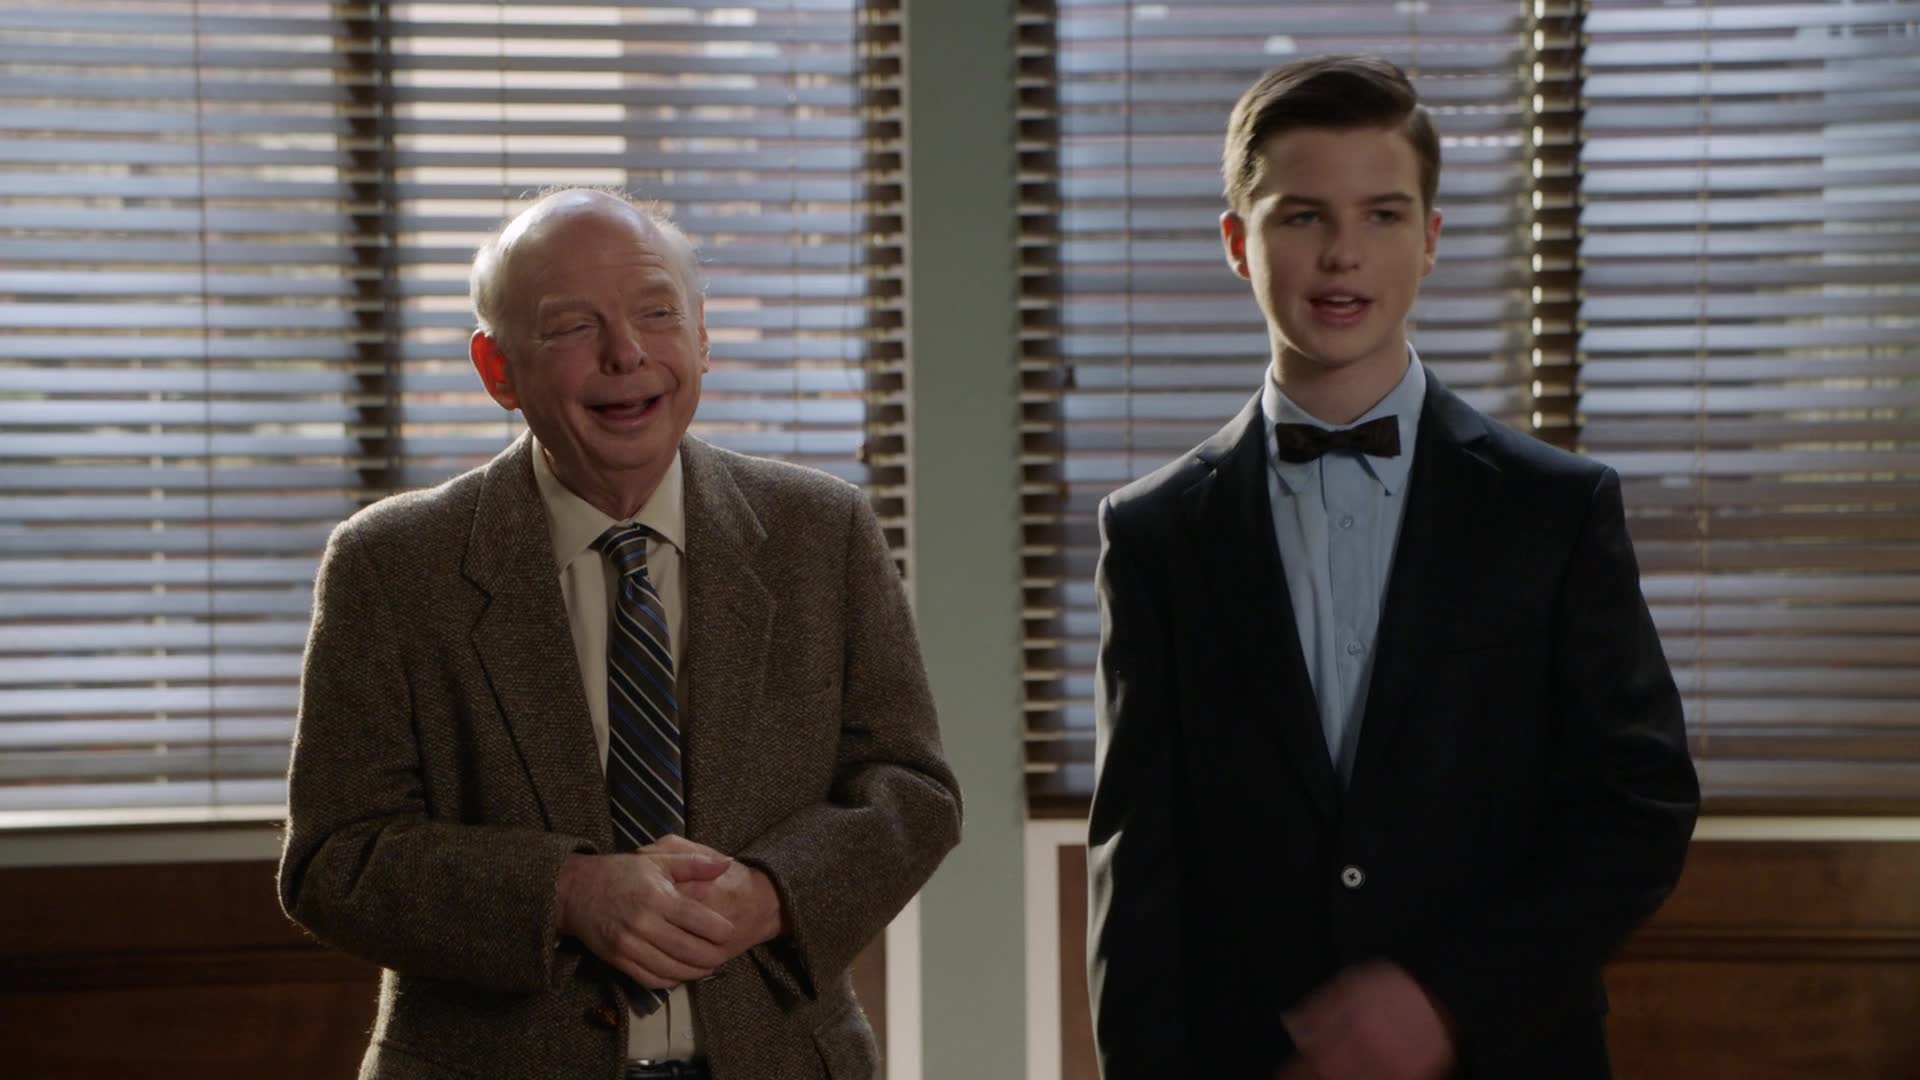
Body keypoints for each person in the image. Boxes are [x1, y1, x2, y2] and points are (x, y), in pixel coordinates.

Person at [1085, 56, 1699, 1080]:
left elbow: (1641, 808)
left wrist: (1448, 998)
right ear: (1238, 243)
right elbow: (1137, 871)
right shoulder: (1154, 536)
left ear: (1431, 239)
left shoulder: (1555, 511)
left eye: (1381, 215)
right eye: (1301, 216)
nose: (1343, 255)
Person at [278, 188, 961, 1080]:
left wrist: (770, 894)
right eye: (573, 326)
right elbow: (334, 859)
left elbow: (911, 790)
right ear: (498, 369)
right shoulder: (392, 565)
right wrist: (567, 893)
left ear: (702, 336)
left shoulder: (821, 531)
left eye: (657, 313)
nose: (626, 353)